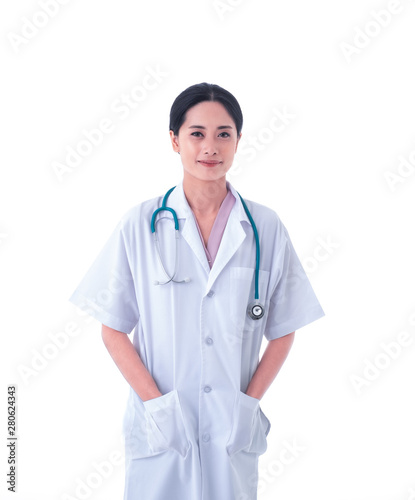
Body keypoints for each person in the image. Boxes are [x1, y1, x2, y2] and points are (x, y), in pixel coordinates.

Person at [69, 82, 325, 500]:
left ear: (239, 141)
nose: (211, 147)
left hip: (231, 430)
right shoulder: (141, 224)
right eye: (196, 134)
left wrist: (247, 405)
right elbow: (112, 329)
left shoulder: (264, 227)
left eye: (224, 134)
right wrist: (157, 407)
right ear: (174, 141)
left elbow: (284, 328)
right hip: (161, 430)